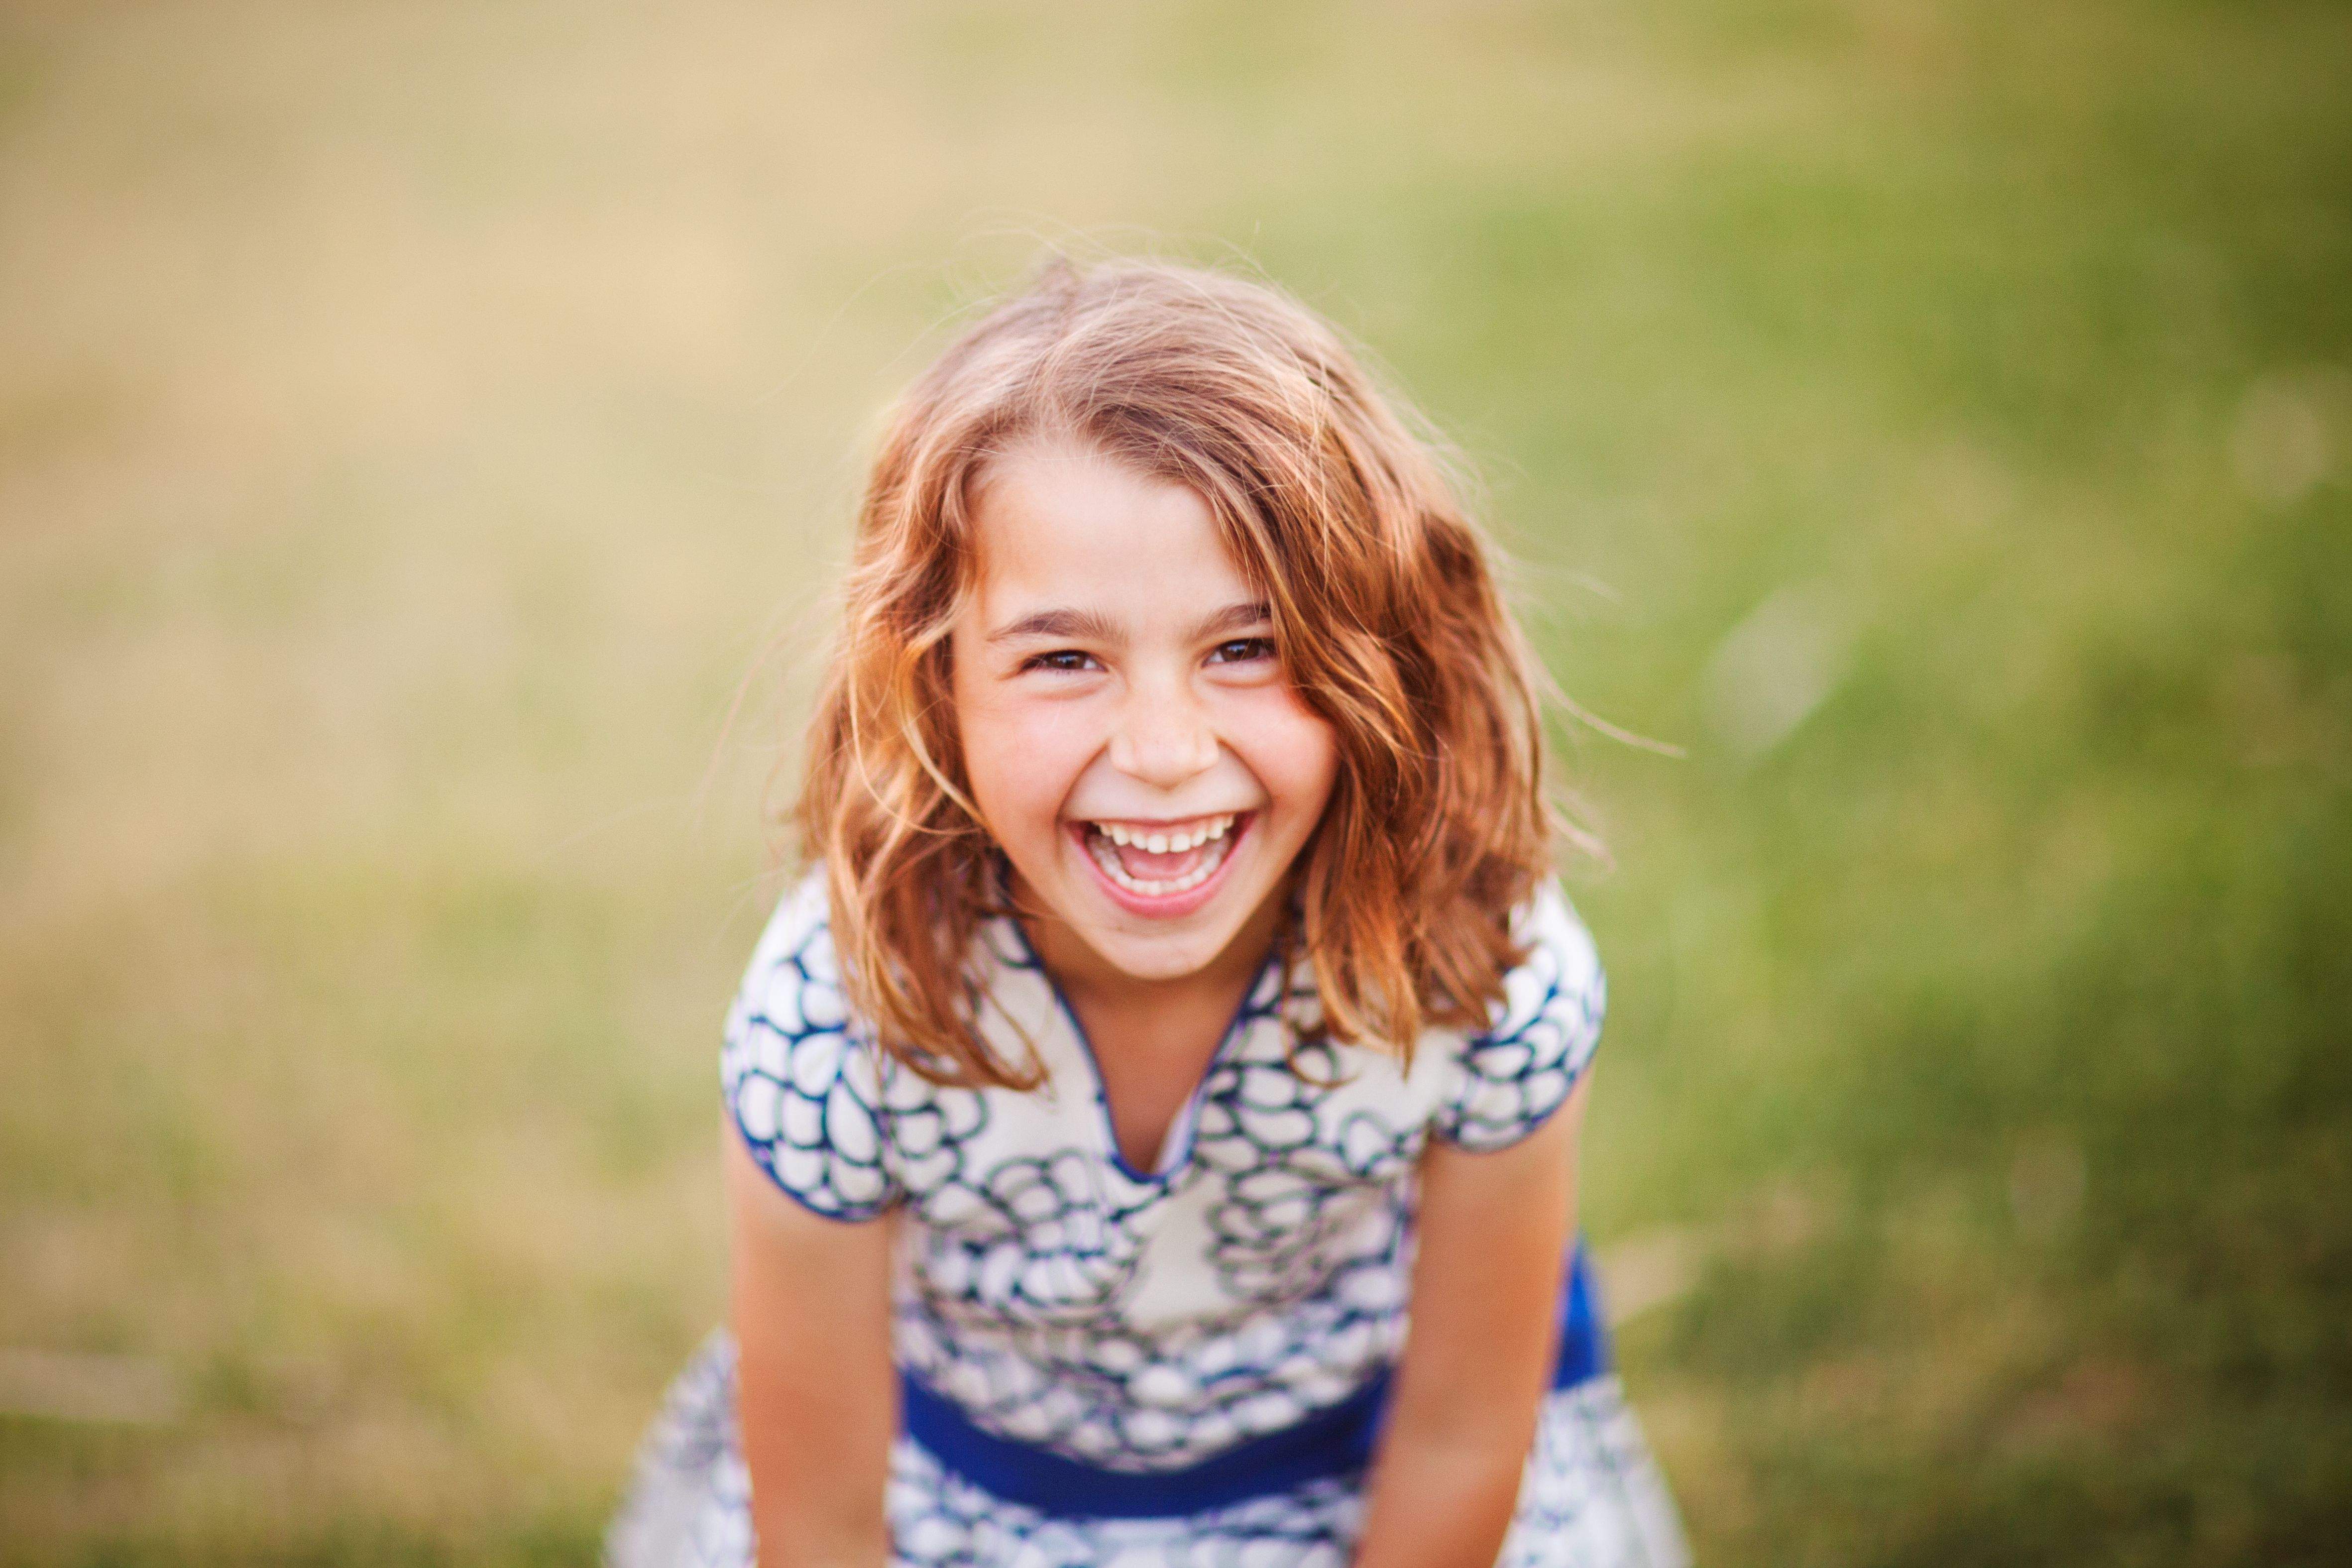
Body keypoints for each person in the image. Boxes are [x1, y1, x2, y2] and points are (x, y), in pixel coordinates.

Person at [608, 257, 1688, 1568]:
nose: (1166, 750)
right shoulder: (834, 1025)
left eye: (1249, 647)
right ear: (932, 681)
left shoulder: (1482, 971)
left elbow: (1465, 1436)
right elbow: (825, 1524)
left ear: (1383, 658)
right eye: (1065, 660)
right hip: (956, 1521)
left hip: (1376, 1504)